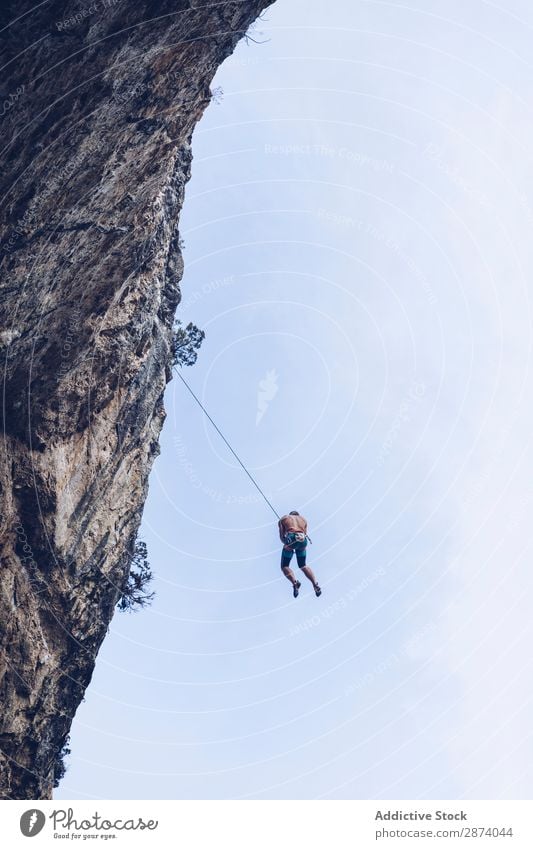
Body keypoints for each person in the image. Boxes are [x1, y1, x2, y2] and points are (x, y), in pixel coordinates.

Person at [278, 510, 321, 598]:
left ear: (290, 515)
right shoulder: (303, 520)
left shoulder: (284, 518)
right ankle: (315, 584)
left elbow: (282, 537)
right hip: (303, 540)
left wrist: (287, 544)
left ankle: (295, 583)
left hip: (291, 537)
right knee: (303, 565)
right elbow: (305, 533)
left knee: (285, 566)